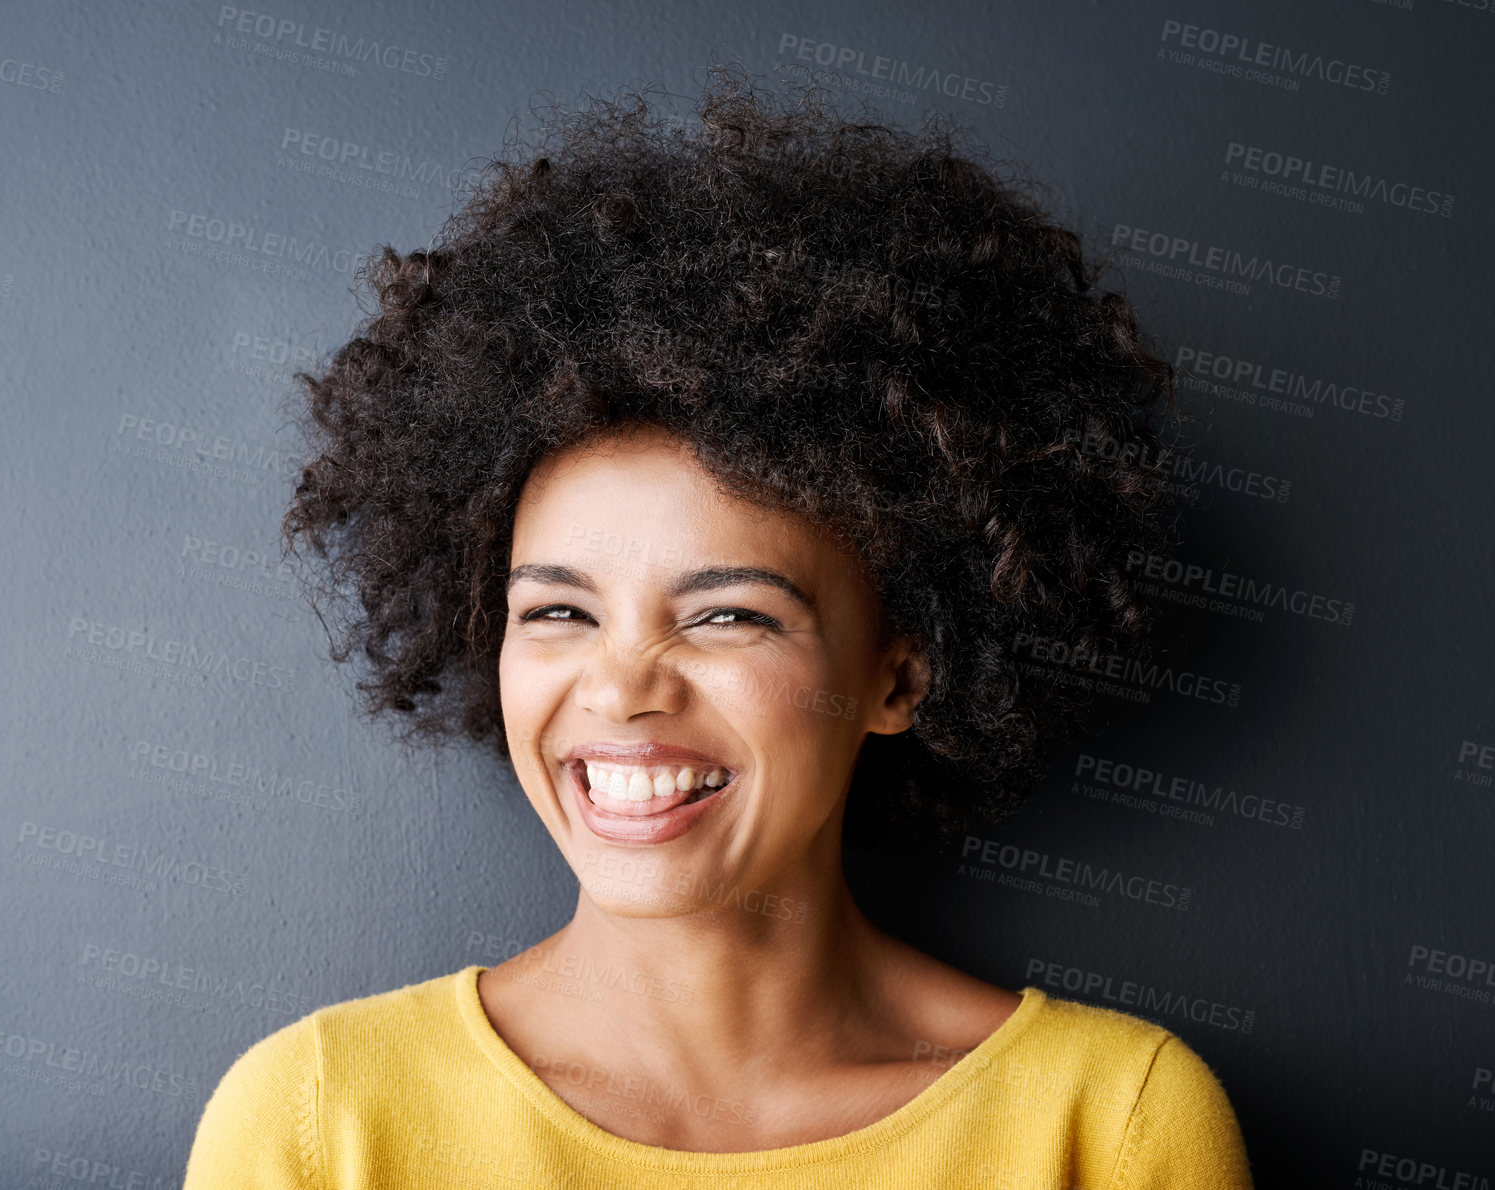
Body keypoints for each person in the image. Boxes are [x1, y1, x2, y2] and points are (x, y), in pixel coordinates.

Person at [183, 65, 1252, 1188]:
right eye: (557, 610)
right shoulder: (320, 1119)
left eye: (728, 614)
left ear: (900, 673)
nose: (621, 684)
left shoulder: (1105, 1122)